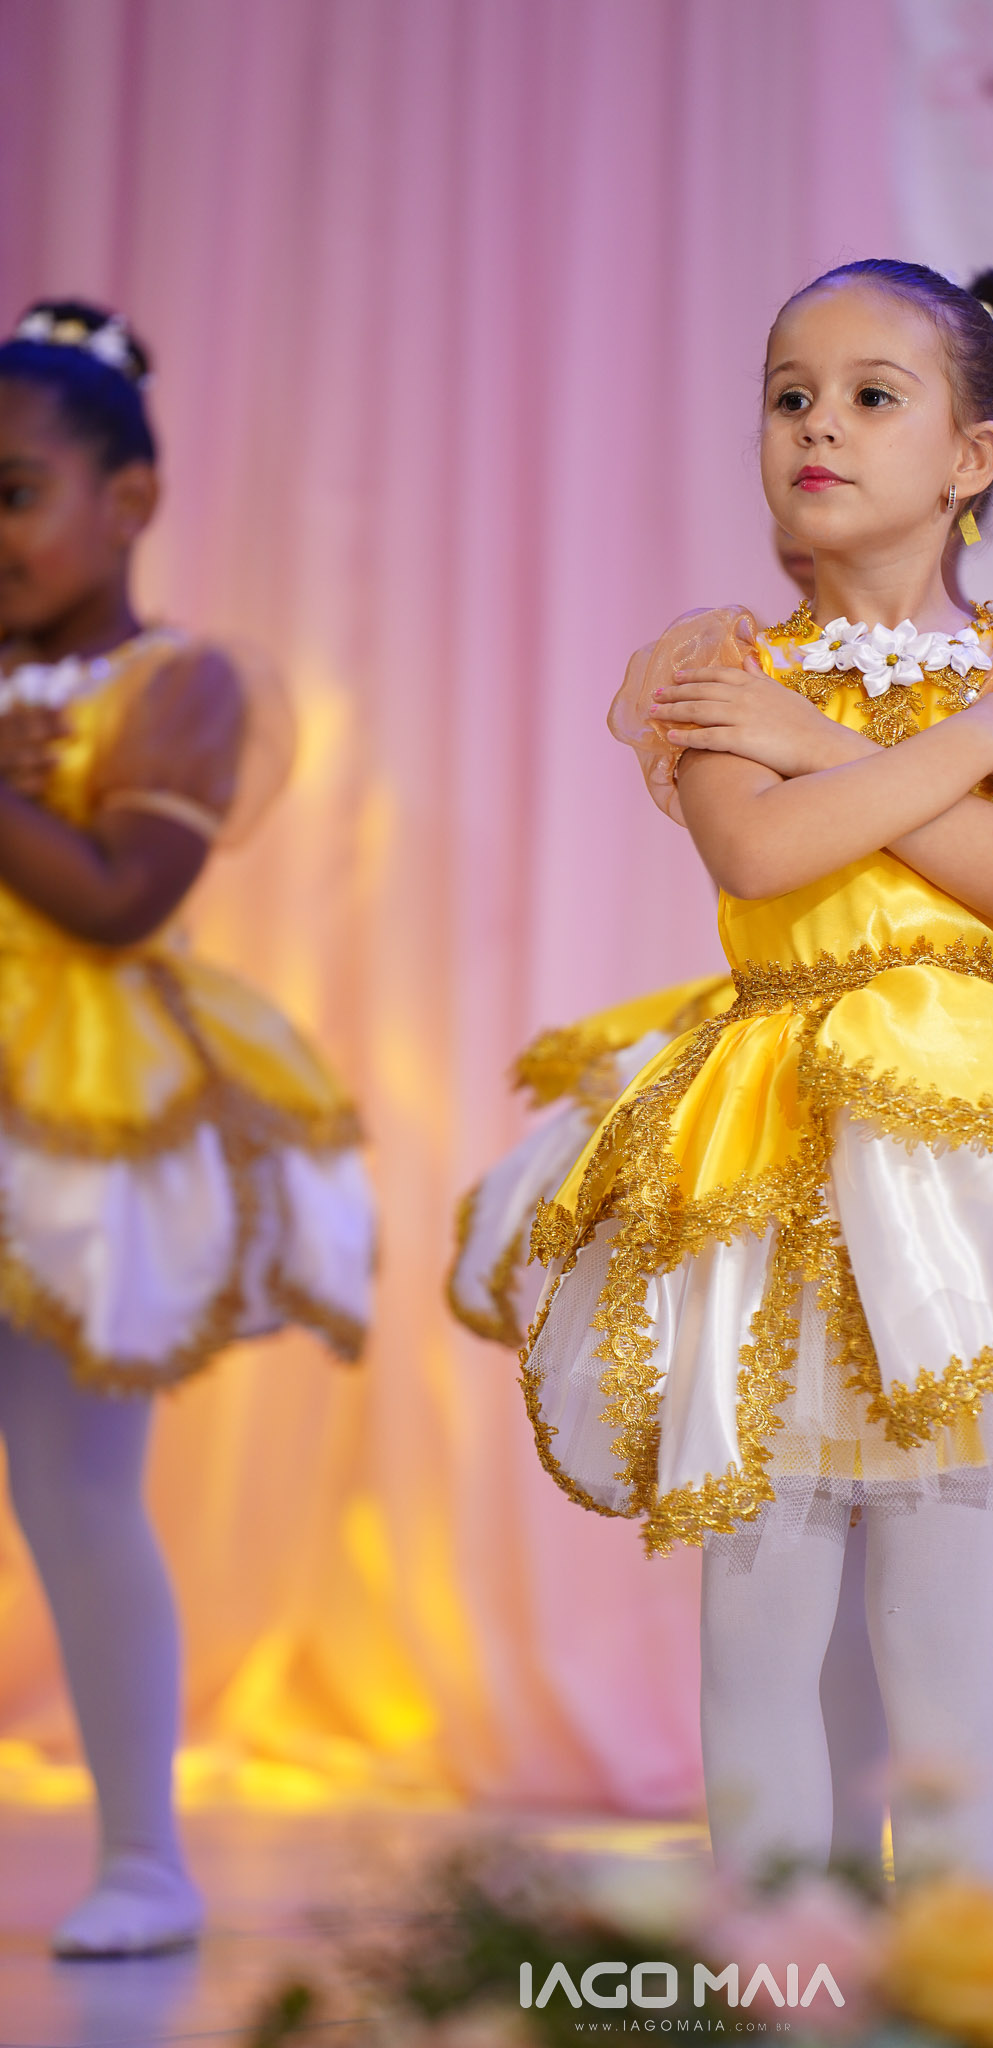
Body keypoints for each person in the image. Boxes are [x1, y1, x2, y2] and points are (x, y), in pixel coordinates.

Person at [515, 259, 993, 1881]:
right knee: (758, 1602)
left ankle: (969, 1958)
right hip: (769, 1156)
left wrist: (849, 750)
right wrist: (962, 752)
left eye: (868, 397)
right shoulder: (722, 668)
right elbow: (761, 853)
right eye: (788, 395)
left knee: (939, 1607)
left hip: (964, 1172)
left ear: (971, 457)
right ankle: (784, 1962)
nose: (815, 426)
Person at [0, 301, 375, 1956]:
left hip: (76, 1106)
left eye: (15, 492)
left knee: (75, 1489)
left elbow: (116, 896)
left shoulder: (180, 683)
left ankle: (143, 1858)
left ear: (130, 501)